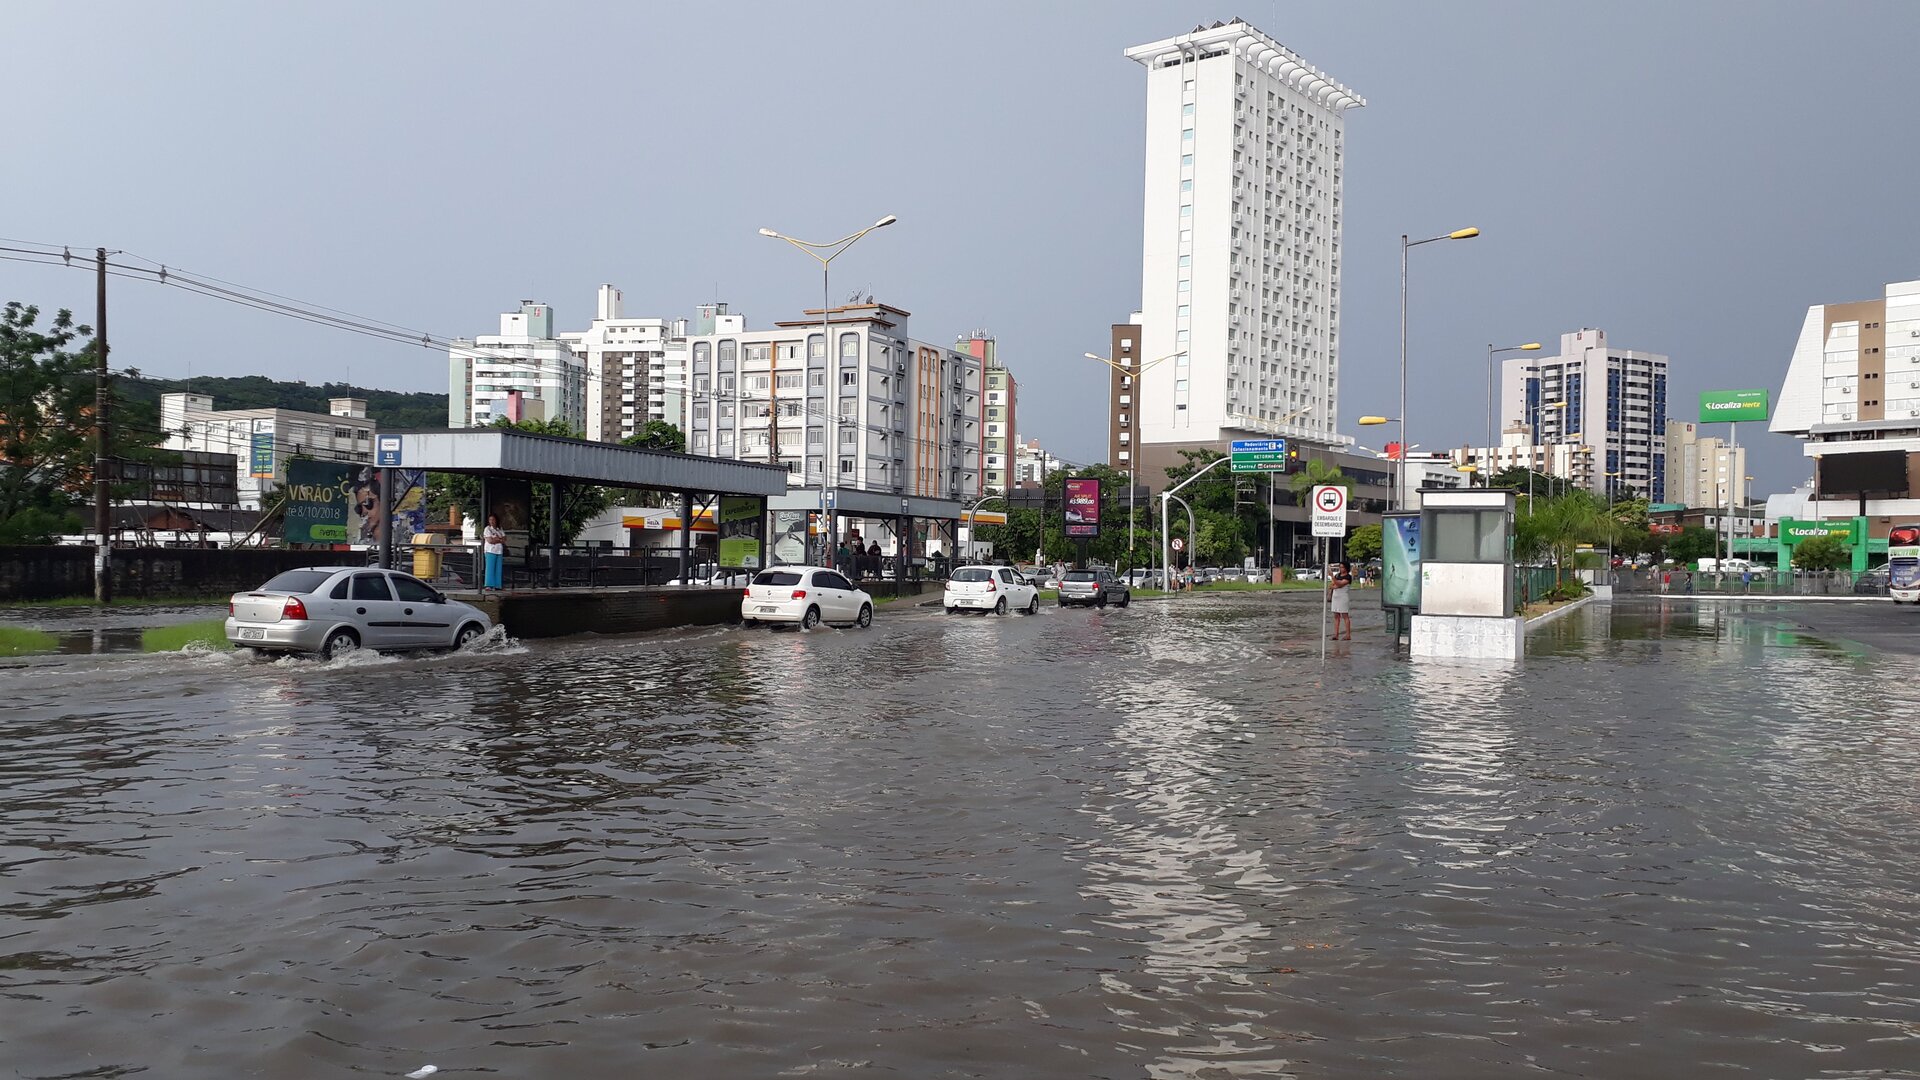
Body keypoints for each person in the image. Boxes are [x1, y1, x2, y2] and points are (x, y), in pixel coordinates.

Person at [1327, 560, 1353, 640]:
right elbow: (1333, 584)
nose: (1341, 569)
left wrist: (1332, 577)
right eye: (1340, 567)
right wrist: (1330, 592)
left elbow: (1340, 584)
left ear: (1346, 568)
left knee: (1345, 615)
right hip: (1336, 597)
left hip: (1343, 597)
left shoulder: (1348, 577)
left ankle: (1348, 635)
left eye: (1342, 567)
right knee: (1336, 616)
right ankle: (1336, 634)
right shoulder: (1338, 575)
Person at [482, 513, 506, 594]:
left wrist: (497, 539)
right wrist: (498, 539)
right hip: (490, 550)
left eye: (493, 520)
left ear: (496, 520)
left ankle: (497, 585)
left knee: (498, 568)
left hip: (499, 551)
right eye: (490, 520)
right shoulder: (487, 529)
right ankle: (489, 585)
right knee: (490, 567)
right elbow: (490, 540)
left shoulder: (499, 529)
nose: (491, 521)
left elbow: (504, 539)